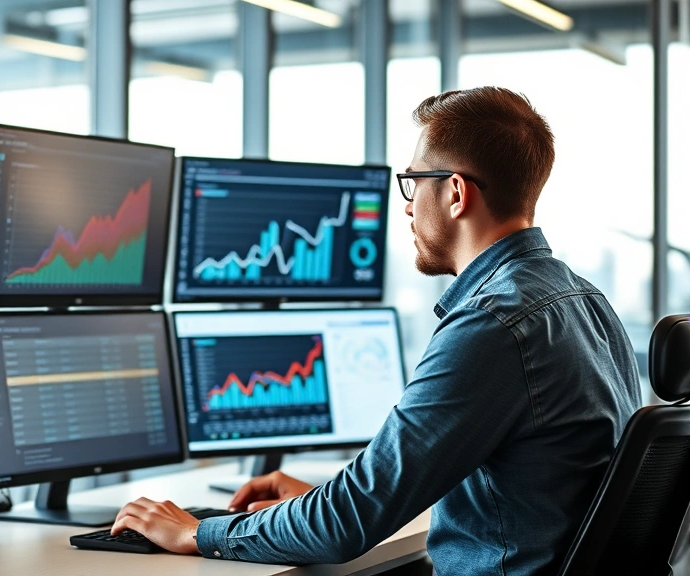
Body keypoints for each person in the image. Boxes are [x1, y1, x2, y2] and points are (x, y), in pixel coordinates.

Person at [110, 86, 642, 575]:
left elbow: (349, 522)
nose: (407, 206)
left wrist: (199, 532)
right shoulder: (586, 301)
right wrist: (322, 498)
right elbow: (529, 484)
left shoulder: (492, 324)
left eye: (413, 183)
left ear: (456, 193)